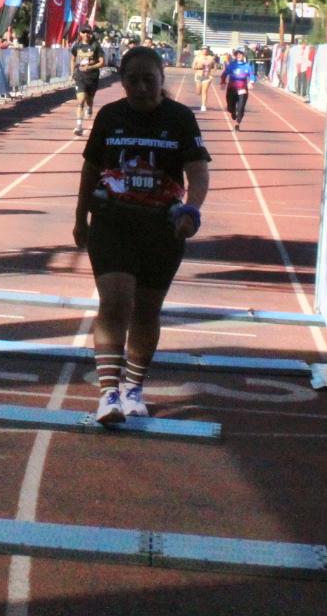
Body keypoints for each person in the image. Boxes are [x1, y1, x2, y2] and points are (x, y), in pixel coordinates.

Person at [71, 45, 210, 427]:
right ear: (123, 80)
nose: (141, 87)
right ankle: (108, 394)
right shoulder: (110, 116)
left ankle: (133, 388)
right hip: (112, 224)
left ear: (162, 79)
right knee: (114, 301)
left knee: (147, 310)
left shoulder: (180, 118)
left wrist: (191, 210)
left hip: (162, 230)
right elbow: (90, 169)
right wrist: (80, 217)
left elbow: (198, 171)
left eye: (149, 79)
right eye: (133, 79)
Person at [71, 26, 105, 135]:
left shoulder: (96, 46)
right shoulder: (77, 46)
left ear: (91, 33)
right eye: (84, 32)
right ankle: (79, 126)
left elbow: (102, 63)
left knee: (89, 100)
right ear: (80, 33)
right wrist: (72, 72)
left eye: (88, 32)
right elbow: (73, 59)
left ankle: (90, 107)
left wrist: (90, 67)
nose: (86, 34)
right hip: (80, 77)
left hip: (92, 77)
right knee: (80, 101)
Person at [221, 48, 256, 129]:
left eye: (240, 54)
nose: (239, 55)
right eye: (237, 54)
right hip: (231, 89)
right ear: (235, 56)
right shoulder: (231, 65)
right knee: (230, 107)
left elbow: (252, 75)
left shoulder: (247, 66)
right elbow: (224, 74)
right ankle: (232, 112)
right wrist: (223, 82)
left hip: (242, 89)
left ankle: (237, 123)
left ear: (243, 55)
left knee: (241, 107)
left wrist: (251, 82)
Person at [190, 42, 219, 112]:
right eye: (203, 49)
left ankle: (203, 106)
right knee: (198, 92)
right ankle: (199, 93)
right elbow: (193, 67)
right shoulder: (197, 57)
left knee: (204, 91)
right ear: (201, 50)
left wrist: (212, 74)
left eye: (206, 49)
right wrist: (198, 66)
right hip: (199, 76)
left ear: (208, 50)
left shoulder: (210, 58)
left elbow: (215, 67)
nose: (204, 50)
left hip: (207, 77)